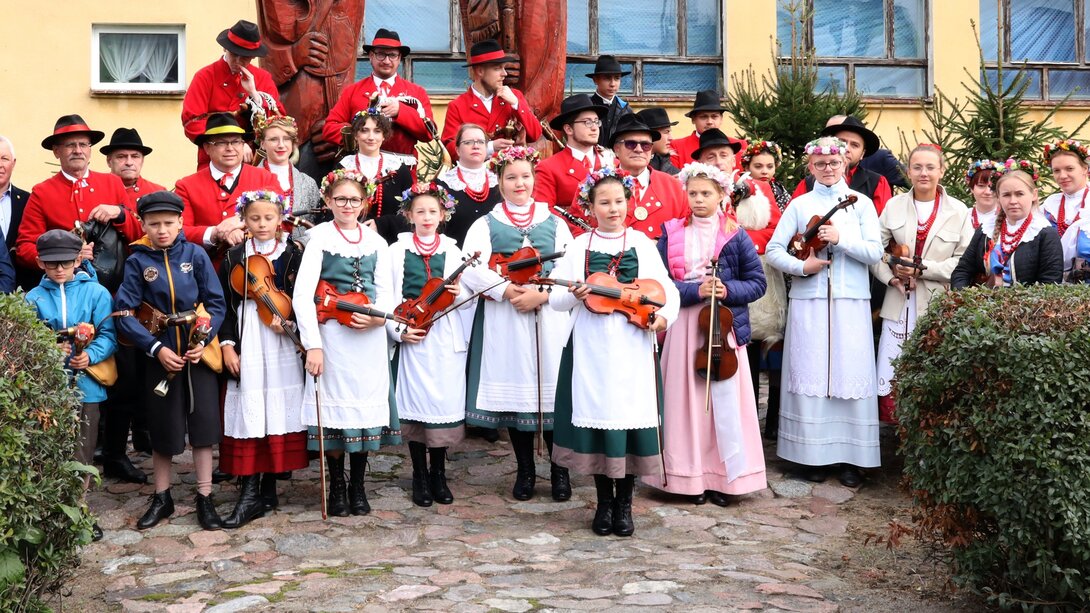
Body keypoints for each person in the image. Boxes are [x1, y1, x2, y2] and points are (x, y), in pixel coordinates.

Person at [549, 167, 679, 537]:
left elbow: (666, 290)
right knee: (600, 422)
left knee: (629, 421)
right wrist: (573, 295)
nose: (613, 209)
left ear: (628, 203)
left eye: (619, 201)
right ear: (590, 208)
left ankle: (625, 505)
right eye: (604, 203)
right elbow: (556, 299)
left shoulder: (641, 243)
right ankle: (604, 502)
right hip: (591, 348)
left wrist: (662, 318)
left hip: (632, 345)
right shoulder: (579, 246)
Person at [642, 163, 767, 506]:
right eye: (693, 193)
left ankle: (727, 478)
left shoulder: (735, 235)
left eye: (706, 193)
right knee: (685, 402)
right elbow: (659, 283)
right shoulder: (671, 232)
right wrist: (694, 290)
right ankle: (686, 478)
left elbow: (757, 283)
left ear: (721, 195)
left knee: (724, 403)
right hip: (684, 324)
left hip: (722, 327)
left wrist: (728, 290)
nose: (698, 199)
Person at [766, 136, 882, 488]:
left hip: (851, 301)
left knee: (849, 374)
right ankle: (811, 456)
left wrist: (841, 239)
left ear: (845, 163)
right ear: (810, 166)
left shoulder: (861, 204)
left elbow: (875, 252)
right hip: (810, 301)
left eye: (833, 163)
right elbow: (774, 250)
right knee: (811, 374)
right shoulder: (800, 204)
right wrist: (803, 268)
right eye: (820, 164)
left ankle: (850, 459)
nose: (828, 169)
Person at [461, 146, 573, 502]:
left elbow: (570, 265)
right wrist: (507, 289)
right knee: (518, 394)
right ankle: (525, 470)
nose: (519, 183)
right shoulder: (485, 224)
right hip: (505, 319)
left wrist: (542, 294)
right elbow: (471, 266)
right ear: (499, 182)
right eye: (511, 177)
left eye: (525, 176)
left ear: (534, 179)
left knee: (552, 392)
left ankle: (559, 470)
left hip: (549, 316)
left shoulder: (554, 221)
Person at [113, 191, 227, 531]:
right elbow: (123, 313)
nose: (161, 230)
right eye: (154, 224)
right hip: (160, 355)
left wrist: (203, 340)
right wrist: (154, 348)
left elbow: (216, 303)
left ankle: (205, 496)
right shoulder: (137, 261)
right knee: (162, 427)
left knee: (203, 426)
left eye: (168, 223)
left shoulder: (196, 255)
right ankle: (162, 496)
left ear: (180, 222)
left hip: (197, 353)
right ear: (143, 225)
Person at [292, 169, 400, 517]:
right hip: (333, 338)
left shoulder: (377, 243)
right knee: (334, 415)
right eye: (340, 199)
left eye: (354, 199)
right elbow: (302, 296)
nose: (348, 205)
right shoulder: (319, 239)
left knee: (363, 411)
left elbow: (387, 292)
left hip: (368, 341)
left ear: (364, 202)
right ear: (328, 201)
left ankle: (358, 485)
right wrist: (313, 345)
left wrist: (377, 317)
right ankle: (337, 484)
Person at [217, 189, 308, 528]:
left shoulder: (294, 253)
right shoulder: (234, 256)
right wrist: (227, 344)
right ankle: (250, 491)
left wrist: (293, 324)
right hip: (248, 337)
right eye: (254, 218)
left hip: (281, 339)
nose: (262, 223)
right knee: (251, 408)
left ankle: (267, 488)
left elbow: (303, 297)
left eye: (269, 217)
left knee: (275, 409)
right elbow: (224, 304)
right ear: (244, 220)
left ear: (280, 218)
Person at [25, 230, 118, 541]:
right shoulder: (33, 298)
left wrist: (91, 355)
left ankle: (79, 509)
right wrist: (49, 349)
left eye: (65, 262)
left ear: (78, 259)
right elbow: (26, 340)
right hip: (49, 387)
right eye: (51, 264)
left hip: (87, 385)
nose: (59, 269)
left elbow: (109, 334)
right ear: (40, 263)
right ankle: (52, 510)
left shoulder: (96, 293)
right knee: (49, 447)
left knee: (83, 449)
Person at [872, 144, 971, 424]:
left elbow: (964, 262)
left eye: (930, 167)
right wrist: (891, 277)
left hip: (937, 304)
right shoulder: (893, 206)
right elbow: (874, 251)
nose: (923, 173)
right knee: (893, 368)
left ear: (942, 170)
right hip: (897, 302)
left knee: (933, 369)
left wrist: (923, 269)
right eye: (917, 167)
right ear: (908, 171)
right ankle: (897, 435)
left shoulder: (959, 210)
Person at [388, 183, 473, 507]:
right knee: (416, 405)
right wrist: (399, 330)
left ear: (443, 215)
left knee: (441, 403)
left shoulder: (453, 251)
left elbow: (468, 301)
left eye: (432, 211)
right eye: (420, 211)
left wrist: (458, 294)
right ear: (409, 215)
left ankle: (438, 472)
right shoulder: (396, 251)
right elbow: (388, 295)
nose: (426, 217)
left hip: (443, 337)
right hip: (413, 334)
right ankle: (419, 474)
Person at [16, 115, 141, 271]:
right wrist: (64, 256)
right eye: (70, 145)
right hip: (62, 281)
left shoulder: (112, 183)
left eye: (83, 144)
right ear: (56, 151)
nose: (78, 151)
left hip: (111, 281)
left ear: (89, 149)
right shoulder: (41, 192)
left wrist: (120, 213)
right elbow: (25, 247)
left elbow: (139, 234)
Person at [175, 113, 279, 261]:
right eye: (221, 143)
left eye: (236, 142)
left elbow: (282, 216)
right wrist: (215, 233)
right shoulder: (186, 186)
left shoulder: (265, 177)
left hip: (259, 267)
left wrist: (242, 221)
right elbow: (179, 230)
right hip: (207, 269)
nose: (230, 148)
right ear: (207, 148)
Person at [181, 20, 283, 170]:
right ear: (225, 48)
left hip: (255, 162)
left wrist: (254, 94)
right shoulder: (205, 76)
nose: (238, 62)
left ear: (253, 57)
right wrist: (236, 144)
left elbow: (279, 123)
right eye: (234, 55)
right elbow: (191, 122)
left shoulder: (263, 78)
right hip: (213, 161)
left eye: (245, 57)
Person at [323, 29, 434, 165]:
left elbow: (429, 133)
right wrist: (359, 132)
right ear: (371, 56)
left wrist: (401, 111)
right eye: (381, 54)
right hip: (360, 168)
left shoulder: (417, 92)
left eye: (392, 55)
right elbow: (329, 128)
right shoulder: (352, 91)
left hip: (403, 170)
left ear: (399, 58)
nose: (387, 61)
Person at [952, 161, 1064, 288]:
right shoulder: (986, 229)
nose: (1013, 201)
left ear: (1034, 195)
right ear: (998, 197)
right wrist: (963, 296)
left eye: (1019, 194)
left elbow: (1050, 283)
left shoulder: (1044, 233)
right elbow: (962, 271)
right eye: (1006, 195)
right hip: (982, 300)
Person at [440, 40, 543, 160]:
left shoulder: (514, 96)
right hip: (477, 170)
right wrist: (489, 147)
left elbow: (535, 134)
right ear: (480, 71)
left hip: (510, 170)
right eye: (497, 68)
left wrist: (516, 104)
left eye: (504, 68)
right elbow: (451, 149)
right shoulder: (458, 106)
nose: (504, 73)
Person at [534, 94, 614, 235]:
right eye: (587, 122)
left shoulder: (612, 162)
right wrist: (584, 235)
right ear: (568, 129)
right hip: (572, 239)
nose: (595, 128)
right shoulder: (548, 167)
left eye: (596, 122)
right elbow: (544, 212)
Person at [336, 109, 414, 243]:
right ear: (355, 135)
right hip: (347, 241)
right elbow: (332, 207)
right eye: (364, 130)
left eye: (377, 131)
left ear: (384, 135)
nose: (371, 137)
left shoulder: (398, 169)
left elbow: (411, 212)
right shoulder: (343, 167)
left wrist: (382, 224)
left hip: (389, 243)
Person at [609, 114, 688, 240]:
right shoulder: (597, 184)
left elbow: (688, 232)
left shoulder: (675, 187)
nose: (639, 149)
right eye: (630, 144)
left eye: (645, 145)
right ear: (616, 149)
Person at [793, 116, 892, 214]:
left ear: (862, 154)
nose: (847, 148)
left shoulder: (877, 183)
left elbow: (881, 221)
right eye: (842, 142)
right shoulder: (807, 183)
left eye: (855, 145)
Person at [253, 114, 322, 239]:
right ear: (262, 143)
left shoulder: (308, 182)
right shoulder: (249, 178)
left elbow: (317, 225)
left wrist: (301, 244)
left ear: (293, 143)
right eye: (273, 139)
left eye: (286, 139)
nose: (281, 145)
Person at [436, 124, 502, 246]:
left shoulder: (500, 181)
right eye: (468, 142)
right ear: (457, 150)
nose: (476, 146)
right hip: (456, 253)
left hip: (497, 254)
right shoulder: (443, 184)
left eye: (481, 142)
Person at [1041, 140, 1090, 277]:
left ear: (1085, 169)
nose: (1062, 176)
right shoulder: (1049, 205)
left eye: (1069, 169)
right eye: (1056, 170)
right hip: (1052, 284)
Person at [669, 90, 745, 170]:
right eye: (703, 117)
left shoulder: (740, 145)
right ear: (693, 119)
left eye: (714, 116)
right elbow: (672, 177)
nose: (709, 122)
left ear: (721, 119)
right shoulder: (676, 146)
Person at [0, 134, 34, 291]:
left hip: (22, 291)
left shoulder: (29, 201)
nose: (0, 165)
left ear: (13, 163)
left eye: (4, 159)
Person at [101, 128, 165, 209]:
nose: (129, 162)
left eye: (135, 156)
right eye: (121, 157)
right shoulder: (95, 189)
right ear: (109, 161)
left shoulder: (158, 193)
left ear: (142, 161)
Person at [585, 55, 632, 147]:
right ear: (595, 80)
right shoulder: (586, 107)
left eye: (617, 78)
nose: (612, 84)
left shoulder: (626, 110)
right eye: (607, 78)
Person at [742, 141, 791, 212]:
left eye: (770, 167)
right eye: (758, 166)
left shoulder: (780, 192)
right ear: (747, 168)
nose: (765, 171)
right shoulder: (739, 191)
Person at [636, 107, 680, 175]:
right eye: (666, 132)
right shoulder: (626, 166)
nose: (671, 138)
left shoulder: (673, 172)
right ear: (650, 134)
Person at [966, 160, 1001, 235]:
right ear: (971, 188)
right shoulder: (963, 216)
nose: (988, 192)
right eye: (981, 186)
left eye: (993, 186)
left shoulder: (1010, 218)